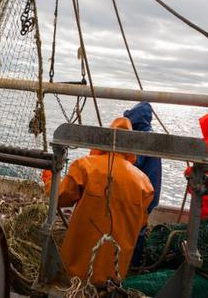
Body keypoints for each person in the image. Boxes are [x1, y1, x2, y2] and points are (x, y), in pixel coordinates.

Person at [42, 117, 154, 284]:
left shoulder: (86, 166)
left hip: (75, 273)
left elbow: (58, 198)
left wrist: (49, 179)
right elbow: (141, 223)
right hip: (113, 279)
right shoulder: (144, 183)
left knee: (71, 287)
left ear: (104, 139)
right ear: (131, 147)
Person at [123, 102, 162, 266]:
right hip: (149, 191)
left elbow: (134, 163)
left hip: (143, 195)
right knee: (138, 227)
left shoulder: (142, 138)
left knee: (135, 229)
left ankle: (132, 264)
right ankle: (133, 261)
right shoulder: (149, 134)